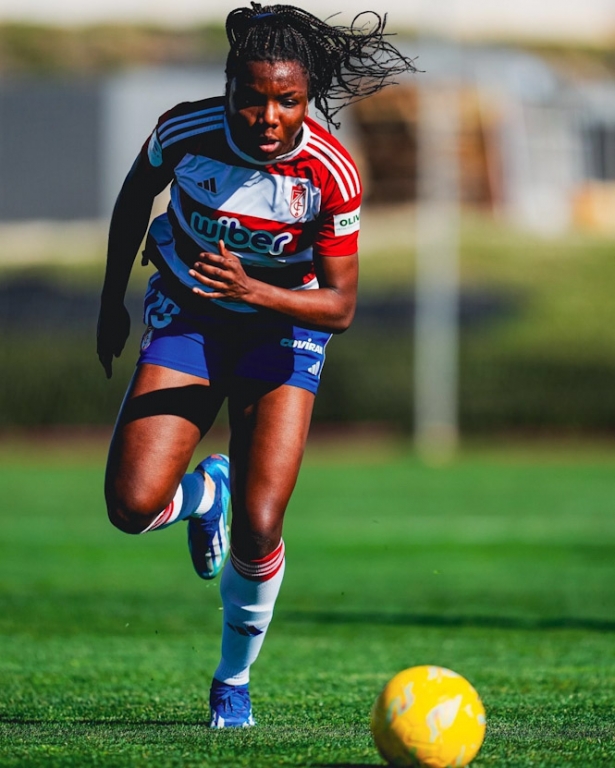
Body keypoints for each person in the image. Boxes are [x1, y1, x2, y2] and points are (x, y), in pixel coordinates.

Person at [97, 2, 415, 729]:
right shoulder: (185, 130)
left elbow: (338, 307)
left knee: (262, 522)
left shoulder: (329, 173)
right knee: (130, 508)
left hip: (284, 331)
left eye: (288, 100)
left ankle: (231, 684)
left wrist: (254, 289)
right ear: (229, 88)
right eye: (252, 97)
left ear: (306, 100)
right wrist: (111, 301)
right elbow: (131, 197)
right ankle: (203, 495)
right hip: (191, 316)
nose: (268, 116)